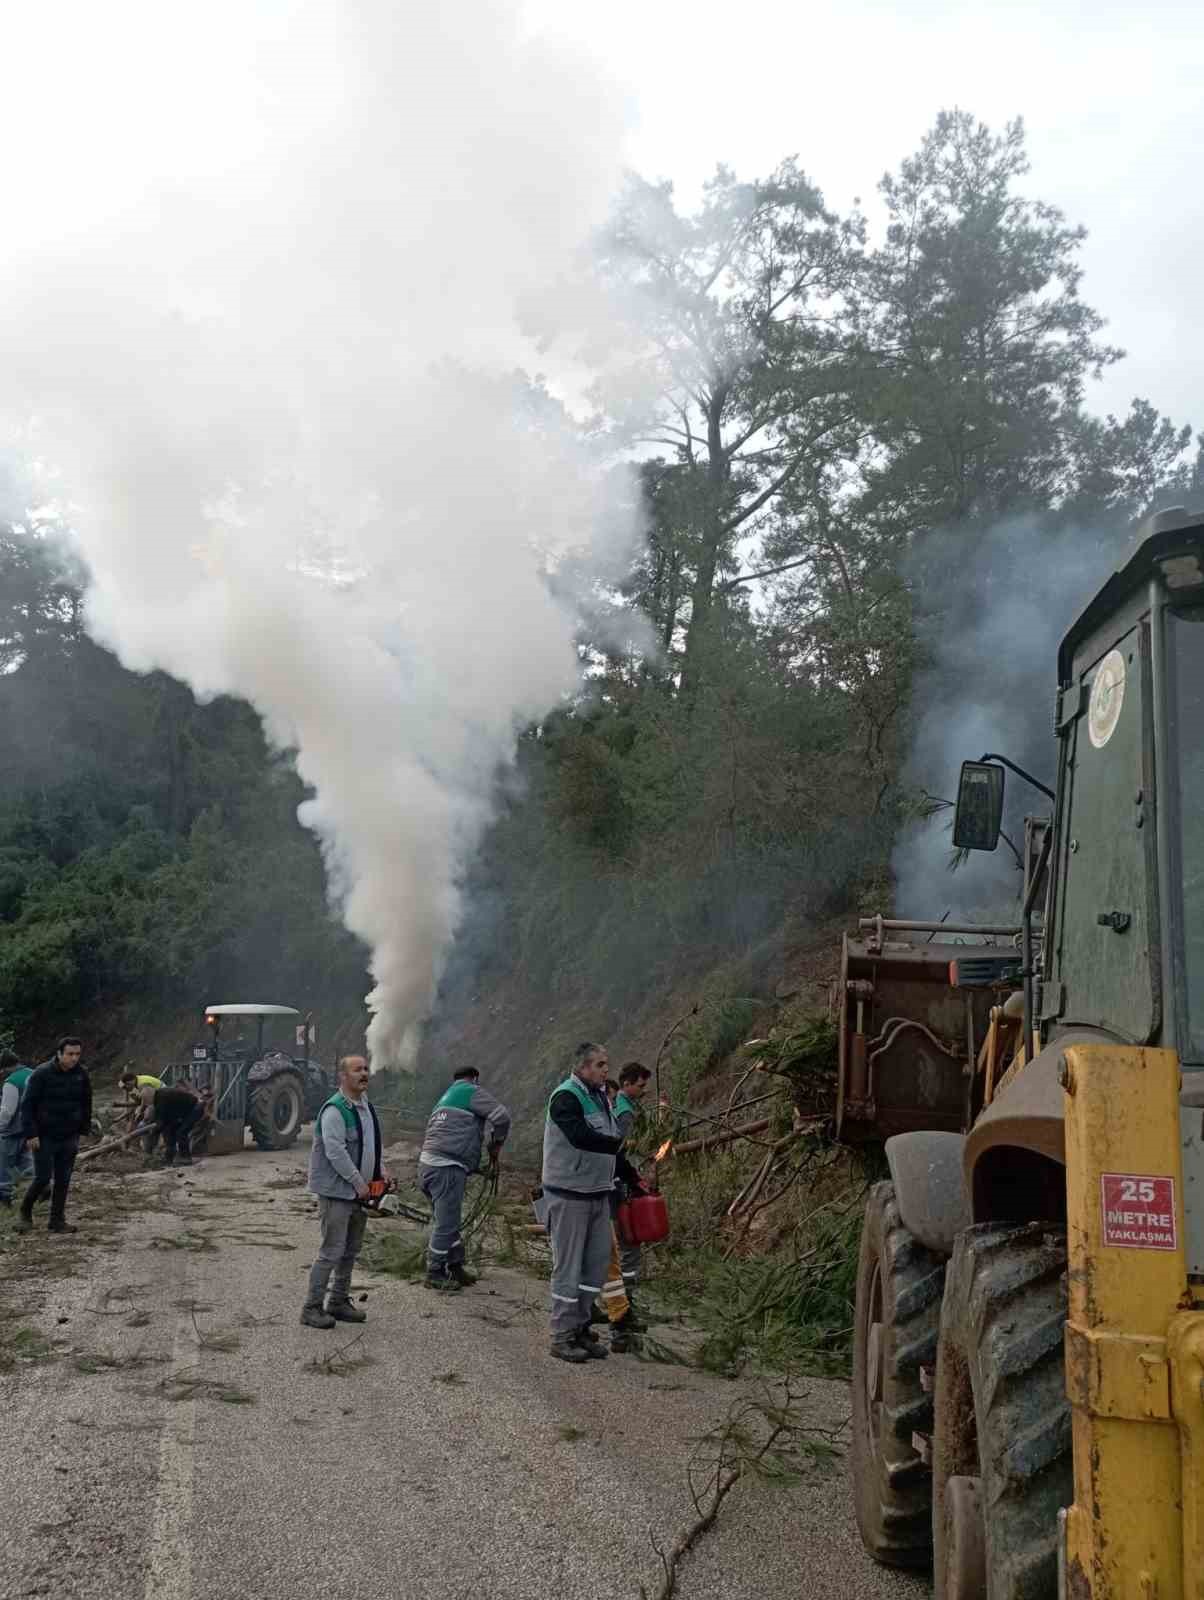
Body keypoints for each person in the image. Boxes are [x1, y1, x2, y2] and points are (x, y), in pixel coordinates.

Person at [541, 1041, 644, 1365]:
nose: (605, 1070)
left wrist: (632, 1177)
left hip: (598, 1193)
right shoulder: (566, 1097)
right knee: (568, 1268)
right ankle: (561, 1336)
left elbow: (615, 1148)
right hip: (569, 1196)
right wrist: (618, 1146)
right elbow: (580, 1136)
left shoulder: (601, 1097)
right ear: (583, 1067)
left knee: (595, 1266)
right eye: (600, 1065)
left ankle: (581, 1327)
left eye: (606, 1064)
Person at [302, 1055, 391, 1330]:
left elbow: (369, 1145)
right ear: (342, 1076)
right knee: (332, 1251)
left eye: (365, 1069)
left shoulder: (365, 1107)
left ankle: (338, 1302)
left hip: (357, 1193)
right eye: (357, 1070)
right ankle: (312, 1308)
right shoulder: (334, 1110)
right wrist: (358, 1182)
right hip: (338, 1192)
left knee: (350, 1250)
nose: (364, 1074)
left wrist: (381, 1171)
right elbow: (335, 1152)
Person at [419, 1065, 511, 1291]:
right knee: (447, 1223)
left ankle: (455, 1266)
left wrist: (477, 1168)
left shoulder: (445, 1098)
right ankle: (434, 1272)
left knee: (449, 1220)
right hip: (446, 1169)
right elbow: (502, 1117)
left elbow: (452, 1140)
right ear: (475, 1079)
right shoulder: (470, 1090)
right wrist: (496, 1144)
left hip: (428, 1166)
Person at [16, 1036, 92, 1235]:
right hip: (44, 1135)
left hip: (69, 1135)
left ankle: (57, 1220)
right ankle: (25, 1212)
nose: (74, 1058)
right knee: (42, 1178)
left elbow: (86, 1102)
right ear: (59, 1054)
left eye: (77, 1054)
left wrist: (83, 1129)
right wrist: (31, 1134)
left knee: (63, 1179)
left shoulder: (81, 1074)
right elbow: (27, 1106)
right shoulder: (41, 1073)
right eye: (70, 1054)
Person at [612, 1061, 653, 1323]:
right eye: (640, 1085)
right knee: (629, 1248)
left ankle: (619, 1306)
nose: (643, 1089)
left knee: (622, 1248)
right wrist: (637, 1180)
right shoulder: (625, 1112)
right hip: (625, 1189)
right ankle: (624, 1310)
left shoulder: (620, 1105)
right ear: (626, 1083)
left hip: (618, 1185)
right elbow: (623, 1151)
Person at [0, 1049, 34, 1207]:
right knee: (27, 1162)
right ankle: (42, 1189)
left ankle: (4, 1197)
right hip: (32, 1129)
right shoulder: (34, 1074)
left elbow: (7, 1111)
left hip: (13, 1131)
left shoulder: (12, 1082)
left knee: (3, 1164)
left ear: (5, 1067)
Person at [147, 1082, 207, 1167]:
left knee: (181, 1132)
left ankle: (186, 1158)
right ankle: (170, 1156)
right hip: (185, 1111)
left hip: (195, 1108)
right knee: (170, 1130)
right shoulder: (159, 1096)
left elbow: (161, 1121)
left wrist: (152, 1139)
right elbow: (162, 1120)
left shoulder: (162, 1098)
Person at [118, 1070, 165, 1156]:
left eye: (127, 1085)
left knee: (143, 1125)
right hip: (158, 1099)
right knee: (147, 1124)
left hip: (161, 1100)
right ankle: (151, 1149)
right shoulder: (138, 1081)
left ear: (130, 1080)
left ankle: (148, 1151)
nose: (127, 1088)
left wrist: (141, 1111)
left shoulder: (142, 1084)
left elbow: (147, 1099)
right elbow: (141, 1099)